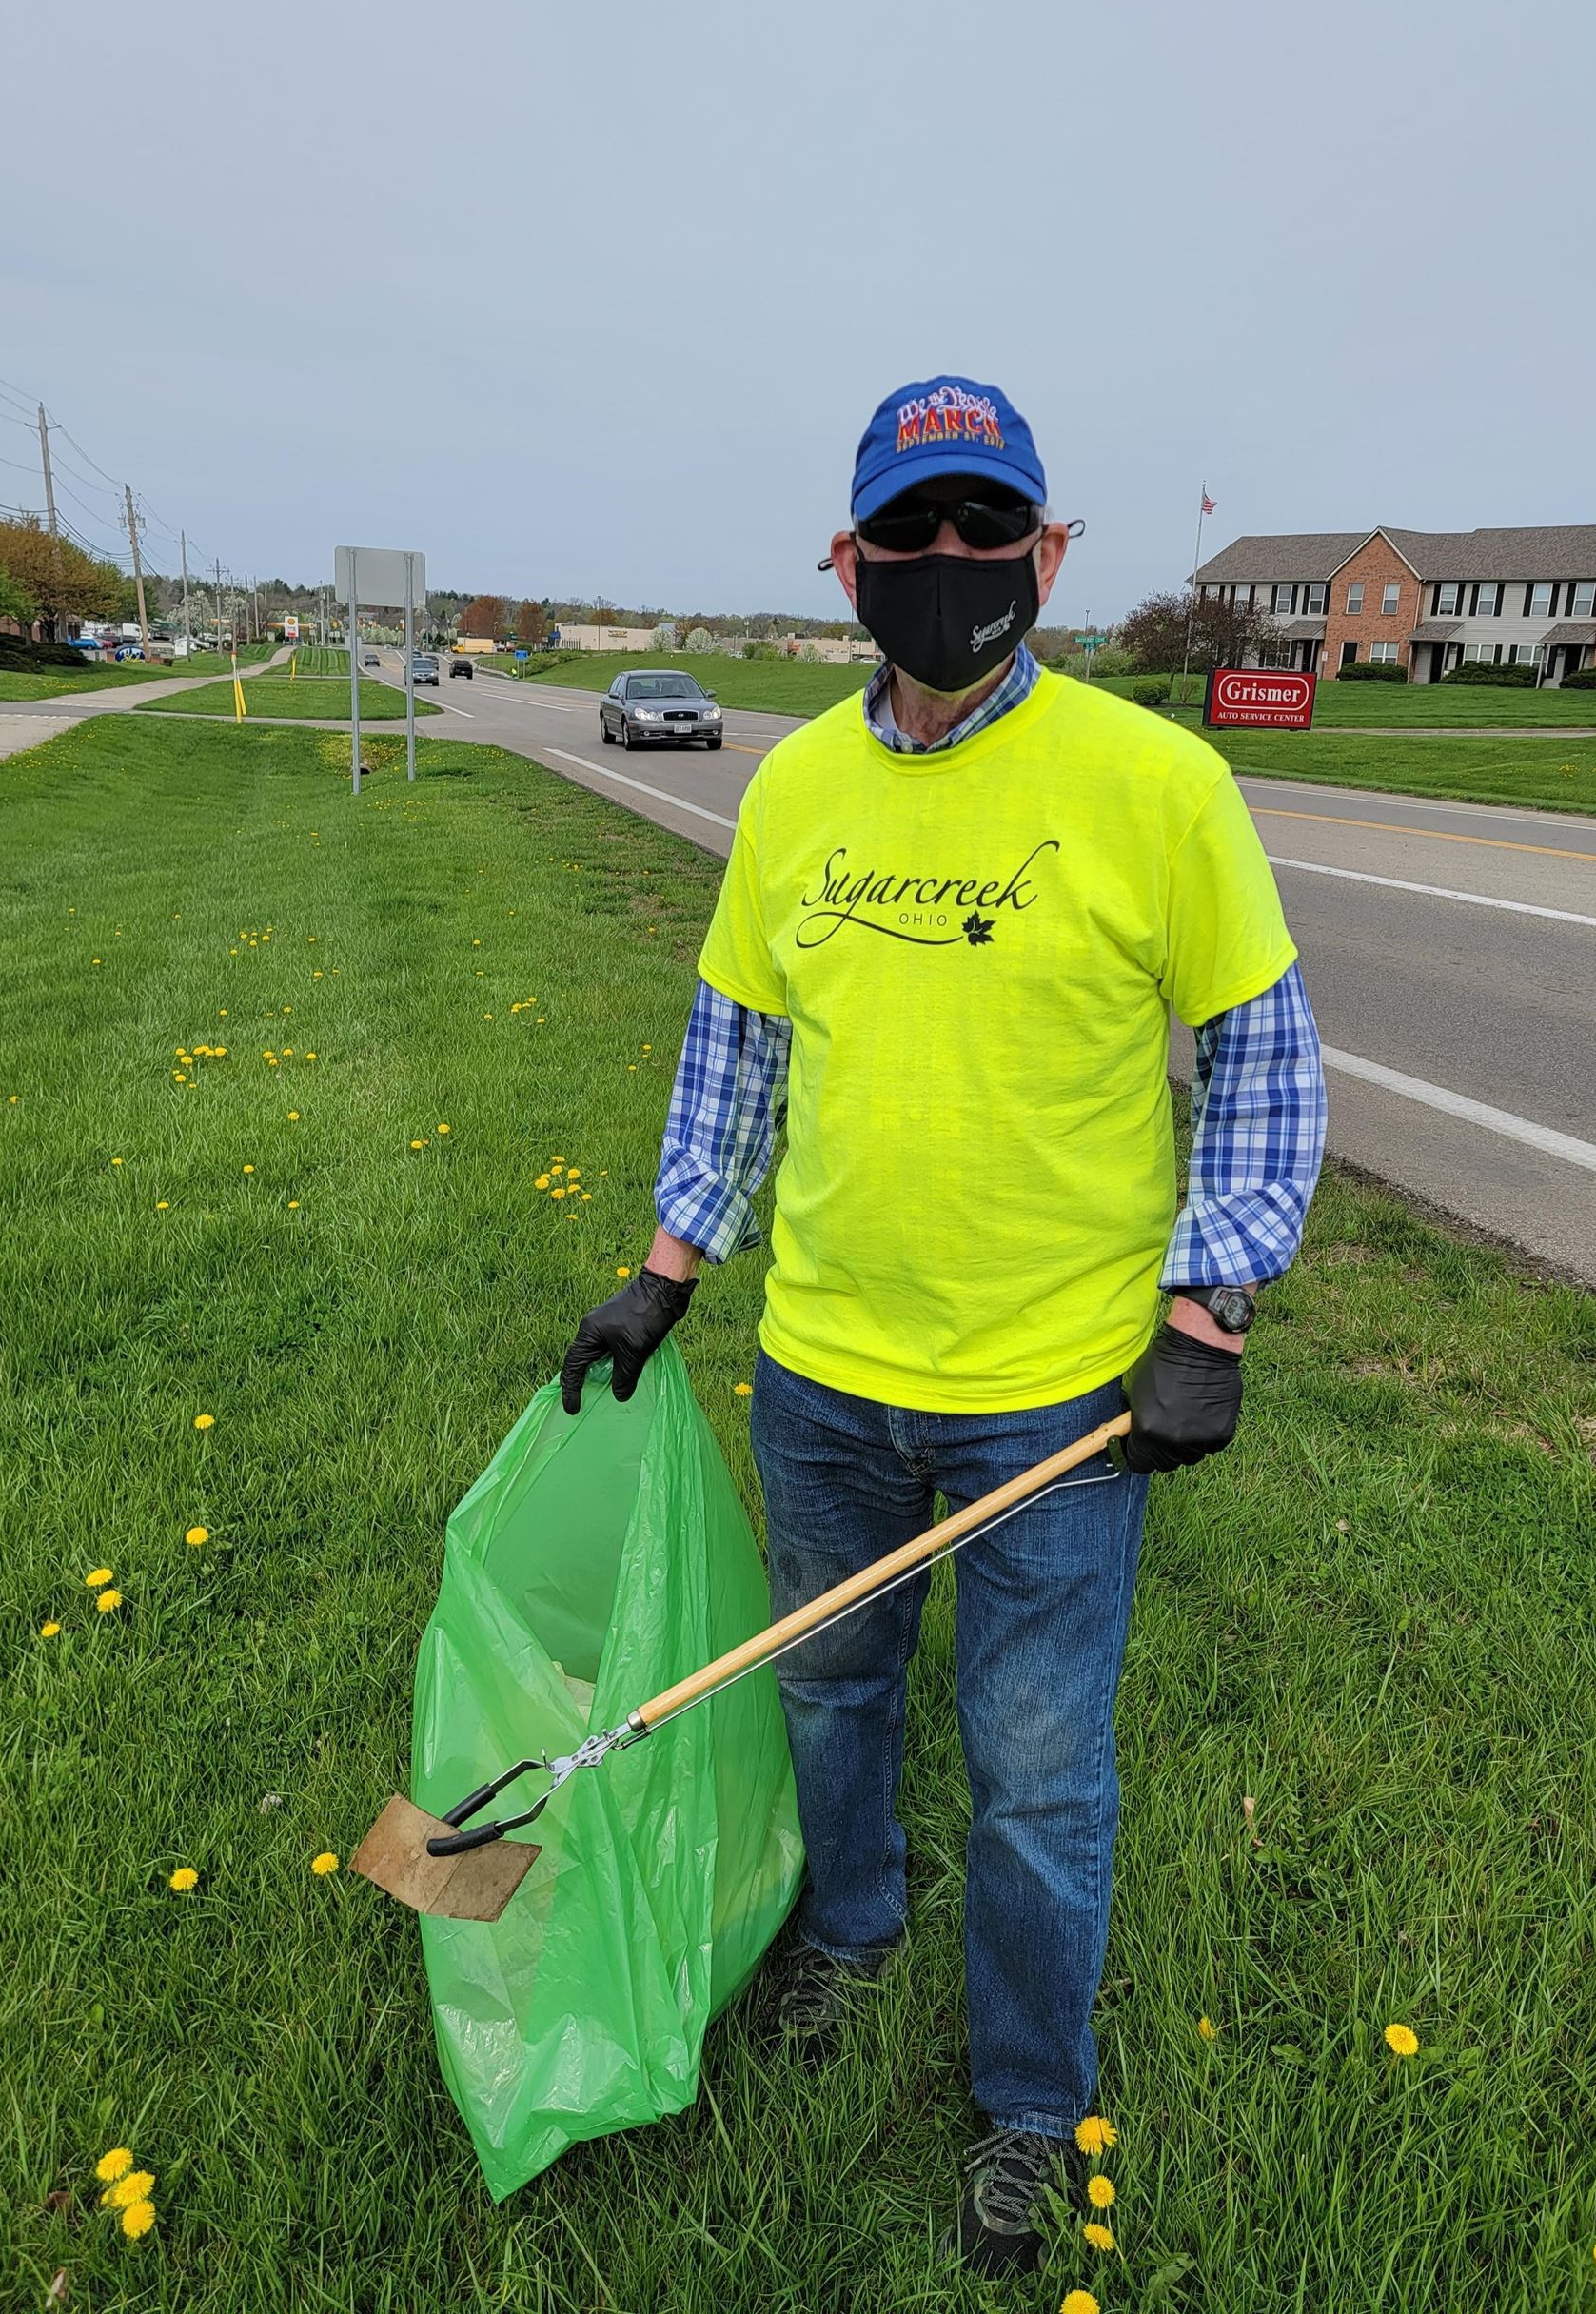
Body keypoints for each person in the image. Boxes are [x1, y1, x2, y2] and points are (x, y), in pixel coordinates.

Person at [561, 376, 1327, 2274]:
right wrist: (668, 1268)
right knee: (831, 1686)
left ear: (1051, 555)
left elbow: (1264, 1068)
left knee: (1043, 1769)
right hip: (823, 1373)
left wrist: (1206, 1305)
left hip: (1059, 1407)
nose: (950, 564)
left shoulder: (1161, 789)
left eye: (991, 528)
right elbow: (737, 1056)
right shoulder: (795, 790)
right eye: (910, 531)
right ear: (848, 561)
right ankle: (851, 1930)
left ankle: (1024, 2101)